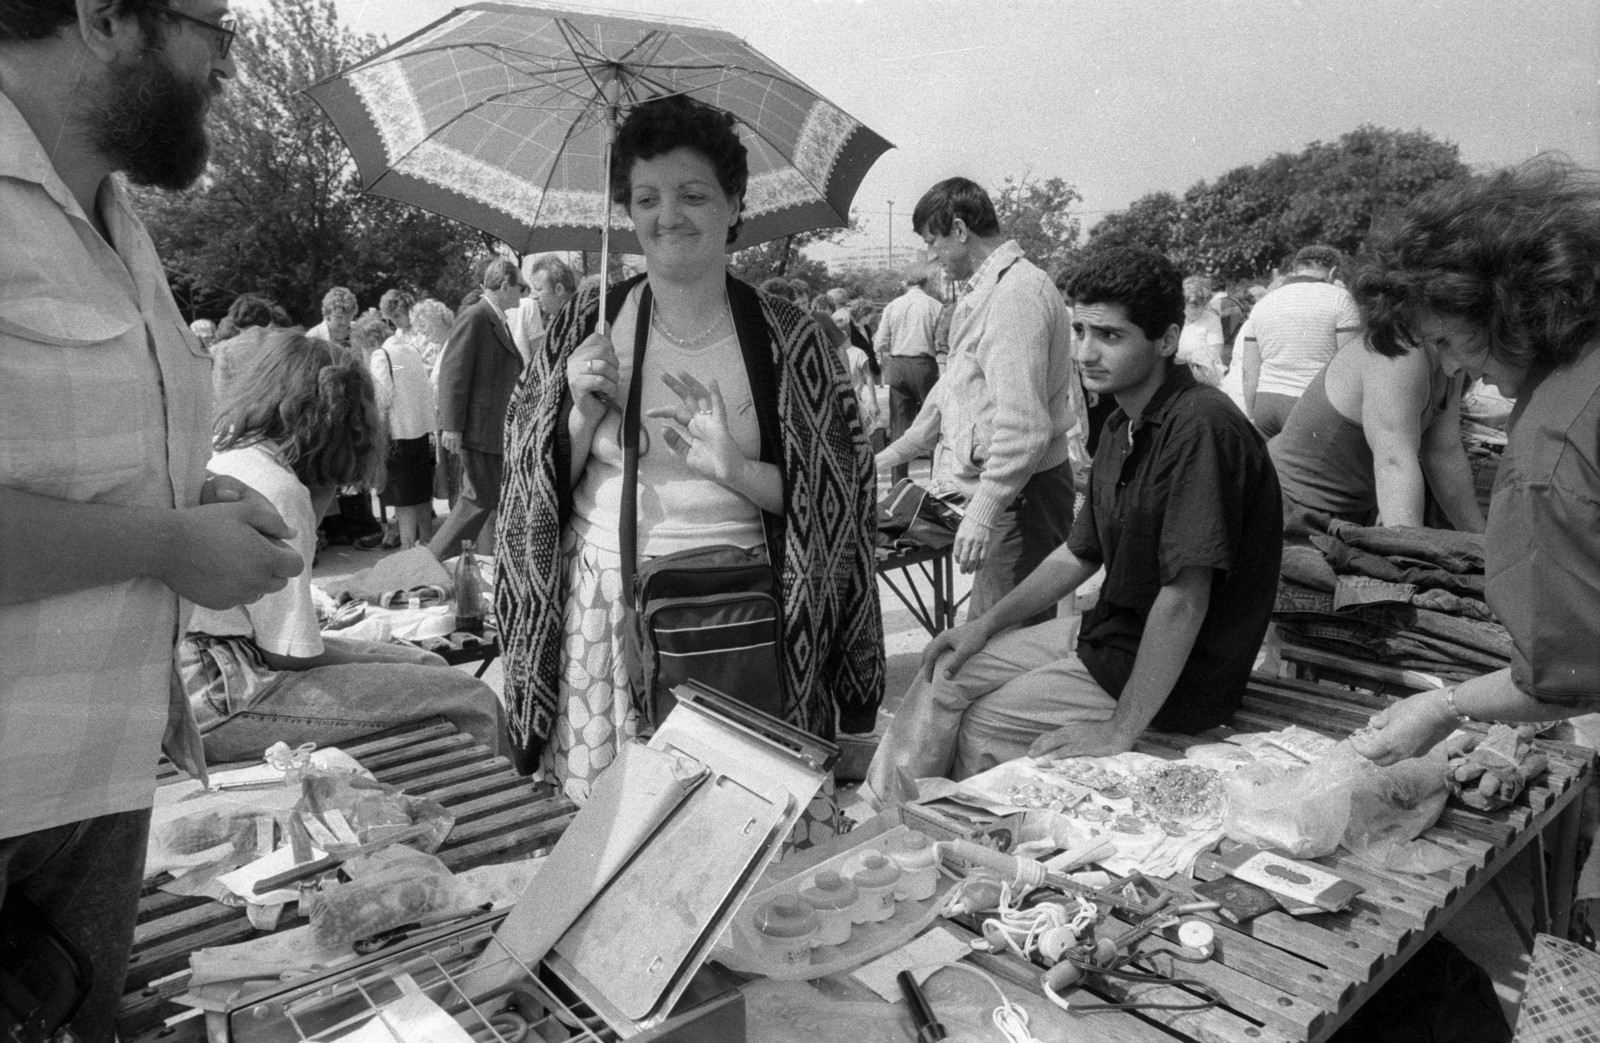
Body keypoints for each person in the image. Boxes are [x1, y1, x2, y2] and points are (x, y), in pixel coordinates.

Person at [0, 3, 306, 1037]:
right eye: (211, 22)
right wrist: (168, 544)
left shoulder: (112, 212)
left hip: (96, 784)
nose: (229, 57)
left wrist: (192, 502)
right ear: (102, 17)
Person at [497, 93, 883, 803]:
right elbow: (530, 489)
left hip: (741, 617)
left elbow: (836, 506)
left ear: (735, 203)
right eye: (646, 197)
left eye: (692, 193)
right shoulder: (584, 321)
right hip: (605, 615)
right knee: (614, 842)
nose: (666, 214)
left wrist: (731, 469)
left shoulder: (792, 339)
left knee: (737, 831)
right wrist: (580, 414)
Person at [865, 247, 1281, 796]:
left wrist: (1120, 729)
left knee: (984, 724)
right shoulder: (1120, 424)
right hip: (1108, 635)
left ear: (1166, 340)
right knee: (946, 667)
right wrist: (982, 625)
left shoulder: (1201, 429)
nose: (1086, 352)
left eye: (1109, 336)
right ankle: (886, 813)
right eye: (1079, 330)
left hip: (1179, 674)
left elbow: (1185, 600)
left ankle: (957, 838)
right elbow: (1077, 554)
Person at [1336, 163, 1600, 764]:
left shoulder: (1551, 448)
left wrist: (1441, 706)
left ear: (1505, 305)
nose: (1452, 368)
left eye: (1450, 342)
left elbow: (1572, 674)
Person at [185, 331, 505, 759]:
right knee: (471, 697)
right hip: (230, 695)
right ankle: (503, 811)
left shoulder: (233, 454)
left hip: (202, 681)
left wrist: (401, 661)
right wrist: (393, 661)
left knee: (428, 665)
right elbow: (290, 655)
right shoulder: (280, 490)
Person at [913, 176, 1089, 622]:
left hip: (1023, 495)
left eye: (933, 241)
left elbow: (1024, 426)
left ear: (959, 229)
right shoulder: (998, 289)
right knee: (1001, 639)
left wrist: (984, 510)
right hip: (1019, 491)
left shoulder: (1015, 295)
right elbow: (957, 394)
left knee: (994, 648)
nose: (930, 256)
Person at [1268, 329, 1487, 536]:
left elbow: (1444, 455)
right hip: (1291, 510)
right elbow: (1394, 465)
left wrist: (1484, 545)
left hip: (1346, 515)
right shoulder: (1399, 352)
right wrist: (1413, 559)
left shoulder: (1448, 361)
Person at [428, 258, 527, 560]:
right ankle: (432, 562)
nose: (523, 294)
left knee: (486, 501)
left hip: (490, 431)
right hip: (479, 431)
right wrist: (452, 427)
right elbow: (452, 374)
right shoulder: (476, 316)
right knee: (477, 500)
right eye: (521, 287)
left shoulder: (493, 318)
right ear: (506, 284)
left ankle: (442, 562)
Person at [1238, 245, 1362, 437]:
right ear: (1333, 271)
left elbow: (1249, 371)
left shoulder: (1264, 303)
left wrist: (1253, 414)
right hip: (1311, 405)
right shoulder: (1340, 299)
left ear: (1295, 269)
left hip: (1267, 404)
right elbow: (1348, 364)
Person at [366, 313, 437, 549]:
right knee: (421, 494)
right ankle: (426, 541)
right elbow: (406, 375)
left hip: (396, 435)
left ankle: (407, 548)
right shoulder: (408, 351)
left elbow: (382, 399)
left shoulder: (381, 356)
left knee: (402, 498)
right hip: (420, 431)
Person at [875, 263, 945, 481]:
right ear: (926, 283)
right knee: (934, 422)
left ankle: (898, 482)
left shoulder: (892, 306)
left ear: (906, 283)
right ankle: (936, 479)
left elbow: (880, 342)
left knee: (899, 426)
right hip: (924, 365)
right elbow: (941, 341)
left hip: (897, 365)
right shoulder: (935, 306)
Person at [1176, 275, 1225, 386]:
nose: (1201, 309)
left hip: (1205, 378)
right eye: (1194, 306)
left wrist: (1186, 358)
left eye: (1203, 305)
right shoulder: (1175, 319)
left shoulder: (1212, 319)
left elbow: (1216, 352)